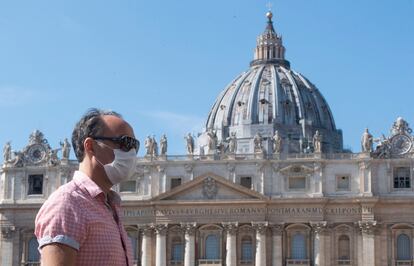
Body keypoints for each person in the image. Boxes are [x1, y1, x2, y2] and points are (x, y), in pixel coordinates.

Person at [35, 108, 139, 266]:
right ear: (90, 146)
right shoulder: (67, 204)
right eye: (125, 143)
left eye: (135, 146)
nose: (131, 153)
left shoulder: (109, 207)